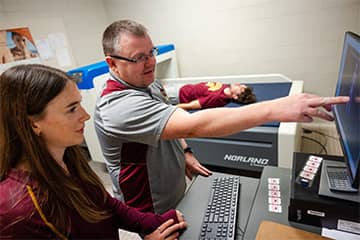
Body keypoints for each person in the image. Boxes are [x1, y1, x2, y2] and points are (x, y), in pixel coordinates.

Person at [95, 19, 349, 215]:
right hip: (150, 205)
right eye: (139, 57)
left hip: (174, 189)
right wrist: (275, 108)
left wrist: (184, 153)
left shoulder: (146, 82)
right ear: (113, 63)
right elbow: (194, 123)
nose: (150, 62)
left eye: (151, 52)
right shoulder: (117, 107)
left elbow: (172, 117)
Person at [0, 64, 186, 239]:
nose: (85, 116)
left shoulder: (67, 158)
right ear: (33, 123)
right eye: (72, 109)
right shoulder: (19, 211)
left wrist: (161, 223)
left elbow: (106, 205)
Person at [177, 81, 256, 110]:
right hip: (185, 87)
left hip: (179, 94)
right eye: (242, 85)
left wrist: (172, 108)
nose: (239, 84)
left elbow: (191, 105)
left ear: (235, 96)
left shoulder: (217, 98)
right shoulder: (226, 87)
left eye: (240, 88)